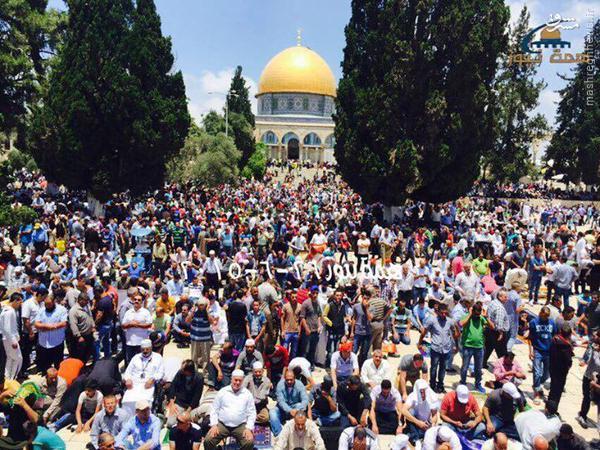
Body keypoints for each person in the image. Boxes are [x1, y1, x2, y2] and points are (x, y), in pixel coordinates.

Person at [204, 369, 255, 450]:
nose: (237, 382)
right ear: (231, 379)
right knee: (208, 440)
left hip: (240, 425)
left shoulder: (247, 394)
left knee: (249, 442)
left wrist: (248, 428)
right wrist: (214, 425)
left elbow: (252, 413)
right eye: (236, 380)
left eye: (240, 381)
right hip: (222, 424)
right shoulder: (223, 392)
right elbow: (214, 409)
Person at [419, 303, 458, 393]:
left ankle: (440, 385)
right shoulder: (431, 320)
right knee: (433, 368)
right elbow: (424, 332)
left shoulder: (450, 321)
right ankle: (432, 385)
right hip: (435, 348)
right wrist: (420, 342)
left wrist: (456, 345)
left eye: (445, 313)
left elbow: (455, 334)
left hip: (446, 349)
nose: (444, 315)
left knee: (443, 368)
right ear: (438, 312)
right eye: (442, 313)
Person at [460, 301, 493, 393]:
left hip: (479, 347)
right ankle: (463, 382)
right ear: (472, 311)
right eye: (475, 314)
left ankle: (478, 384)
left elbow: (492, 326)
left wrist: (486, 317)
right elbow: (461, 324)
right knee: (465, 367)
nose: (477, 316)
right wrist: (470, 315)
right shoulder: (467, 317)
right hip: (468, 346)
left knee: (478, 368)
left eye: (478, 314)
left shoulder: (481, 318)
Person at [528, 306, 557, 404]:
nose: (545, 318)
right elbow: (530, 337)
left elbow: (554, 335)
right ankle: (536, 391)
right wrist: (530, 350)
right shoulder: (533, 323)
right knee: (536, 371)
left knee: (546, 373)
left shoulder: (552, 322)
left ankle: (538, 385)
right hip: (537, 350)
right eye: (544, 316)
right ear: (540, 313)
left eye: (547, 316)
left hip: (549, 351)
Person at [34, 295, 68, 373]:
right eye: (46, 304)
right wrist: (48, 326)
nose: (47, 306)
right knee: (45, 364)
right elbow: (36, 324)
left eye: (49, 304)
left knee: (58, 363)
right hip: (44, 343)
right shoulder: (41, 310)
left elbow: (64, 323)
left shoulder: (61, 310)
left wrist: (53, 327)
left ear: (54, 302)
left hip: (57, 342)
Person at [123, 339, 165, 403]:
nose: (145, 351)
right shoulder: (136, 357)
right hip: (134, 384)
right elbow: (128, 371)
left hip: (148, 384)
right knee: (127, 401)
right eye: (143, 349)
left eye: (147, 349)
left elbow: (161, 373)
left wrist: (153, 379)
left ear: (151, 348)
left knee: (144, 403)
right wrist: (128, 379)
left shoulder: (158, 357)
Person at [165, 359, 204, 427]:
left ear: (188, 371)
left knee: (192, 423)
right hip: (180, 403)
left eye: (183, 369)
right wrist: (172, 403)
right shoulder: (180, 373)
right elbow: (173, 386)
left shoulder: (199, 378)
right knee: (170, 423)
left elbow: (197, 396)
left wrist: (188, 411)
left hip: (192, 406)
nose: (181, 370)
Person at [270, 370, 309, 436]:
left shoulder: (300, 384)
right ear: (284, 378)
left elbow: (305, 400)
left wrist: (297, 410)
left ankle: (296, 430)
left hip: (296, 408)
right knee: (272, 412)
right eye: (287, 380)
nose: (289, 381)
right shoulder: (280, 385)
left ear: (294, 378)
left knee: (300, 406)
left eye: (291, 380)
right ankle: (279, 434)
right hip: (283, 409)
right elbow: (281, 401)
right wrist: (289, 410)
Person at [402, 379, 440, 444]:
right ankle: (416, 440)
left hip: (426, 424)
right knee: (410, 411)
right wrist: (418, 422)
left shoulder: (432, 397)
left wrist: (430, 423)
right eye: (421, 392)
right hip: (415, 422)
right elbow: (403, 410)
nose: (423, 394)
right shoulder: (412, 396)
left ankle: (413, 435)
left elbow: (435, 416)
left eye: (424, 391)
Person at [121, 295, 152, 365]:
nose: (136, 301)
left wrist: (137, 325)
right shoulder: (128, 312)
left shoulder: (146, 312)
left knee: (142, 361)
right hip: (130, 342)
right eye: (135, 299)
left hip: (141, 342)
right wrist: (130, 324)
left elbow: (149, 324)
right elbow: (123, 325)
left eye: (139, 300)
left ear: (142, 302)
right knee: (130, 362)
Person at [484, 288, 511, 367]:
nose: (507, 299)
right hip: (497, 333)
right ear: (500, 297)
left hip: (489, 330)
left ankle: (482, 363)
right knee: (502, 352)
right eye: (505, 297)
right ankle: (504, 367)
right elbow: (499, 323)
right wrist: (501, 333)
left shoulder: (493, 302)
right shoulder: (500, 308)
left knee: (488, 347)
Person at [548, 323, 574, 406]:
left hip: (552, 368)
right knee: (558, 391)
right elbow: (568, 361)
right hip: (561, 372)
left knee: (552, 389)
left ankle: (548, 406)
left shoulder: (554, 340)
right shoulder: (566, 346)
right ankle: (553, 408)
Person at [0, 292, 23, 380]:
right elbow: (7, 328)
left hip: (8, 339)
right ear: (16, 301)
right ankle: (13, 378)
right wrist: (13, 341)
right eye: (20, 302)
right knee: (18, 359)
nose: (20, 305)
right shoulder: (9, 312)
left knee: (10, 359)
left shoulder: (6, 310)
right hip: (10, 340)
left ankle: (8, 378)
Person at [68, 292, 96, 363]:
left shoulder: (86, 307)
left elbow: (90, 316)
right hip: (81, 338)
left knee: (87, 354)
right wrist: (78, 336)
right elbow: (73, 324)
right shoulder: (74, 310)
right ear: (80, 300)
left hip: (89, 335)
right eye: (86, 301)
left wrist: (93, 326)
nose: (87, 302)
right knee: (79, 356)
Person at [299, 286, 322, 368]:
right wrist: (306, 328)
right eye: (313, 293)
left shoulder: (317, 303)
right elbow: (302, 317)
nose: (315, 295)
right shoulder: (306, 303)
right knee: (305, 349)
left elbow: (319, 315)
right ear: (310, 293)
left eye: (316, 293)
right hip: (307, 331)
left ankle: (311, 364)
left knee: (313, 349)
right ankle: (302, 366)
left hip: (315, 331)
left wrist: (319, 325)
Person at [187, 297, 212, 371]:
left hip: (205, 339)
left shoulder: (209, 311)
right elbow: (187, 320)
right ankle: (195, 371)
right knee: (194, 357)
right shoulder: (193, 311)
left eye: (202, 305)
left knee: (206, 357)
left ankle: (205, 372)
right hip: (195, 338)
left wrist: (207, 311)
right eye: (199, 305)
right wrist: (192, 312)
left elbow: (212, 321)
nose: (201, 306)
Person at [351, 289, 373, 366]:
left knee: (364, 352)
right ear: (362, 298)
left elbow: (370, 318)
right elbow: (354, 318)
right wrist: (351, 332)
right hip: (357, 332)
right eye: (364, 298)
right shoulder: (356, 306)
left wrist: (366, 308)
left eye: (367, 299)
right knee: (354, 351)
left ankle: (361, 367)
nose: (365, 300)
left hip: (367, 333)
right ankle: (352, 366)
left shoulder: (372, 307)